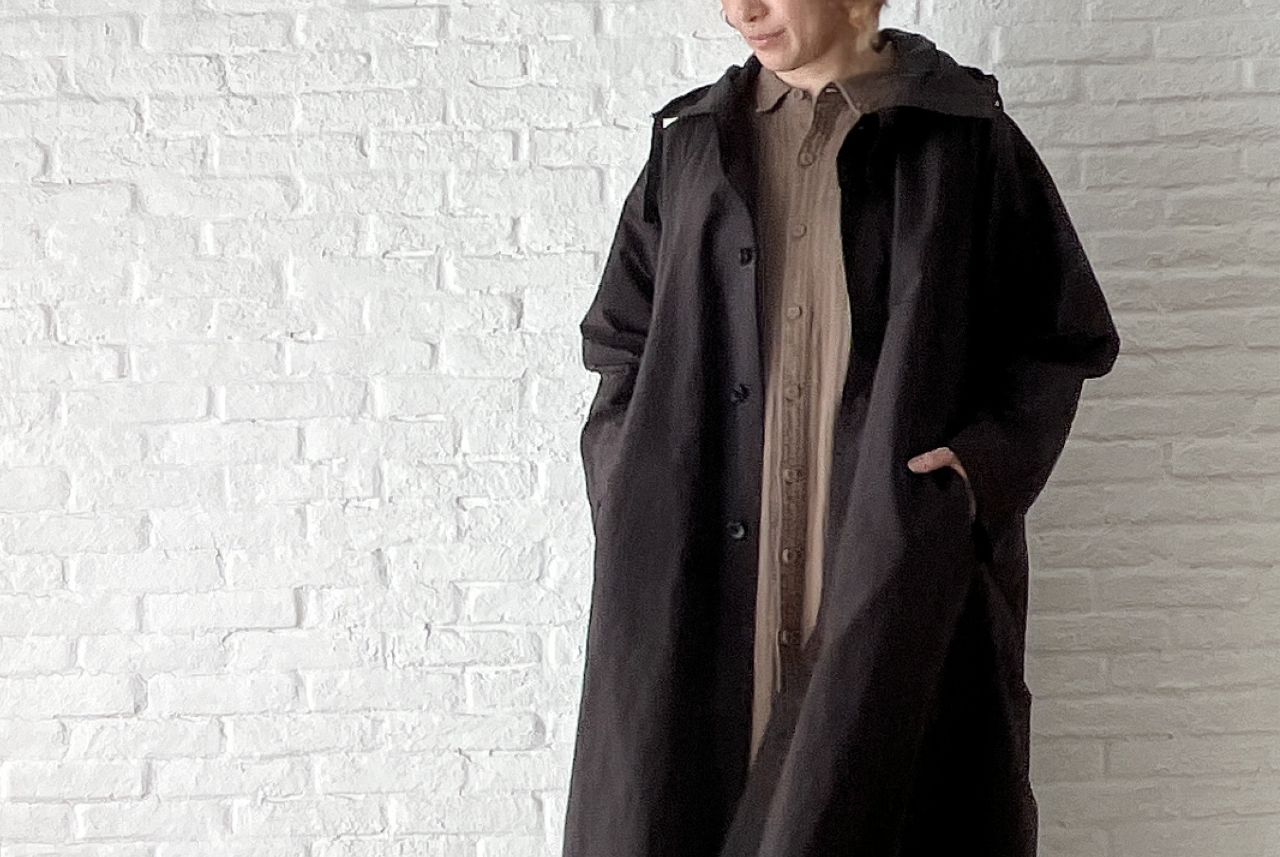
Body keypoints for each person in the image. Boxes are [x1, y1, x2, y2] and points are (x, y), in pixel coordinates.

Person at [564, 3, 1121, 856]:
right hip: (703, 564)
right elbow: (618, 339)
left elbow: (1060, 334)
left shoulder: (963, 141)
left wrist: (974, 475)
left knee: (875, 787)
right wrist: (627, 479)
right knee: (690, 788)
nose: (740, 10)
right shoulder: (692, 149)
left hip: (886, 554)